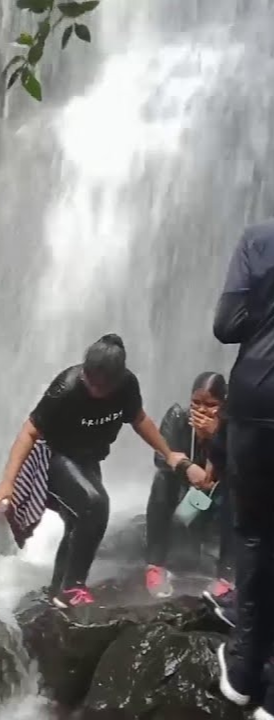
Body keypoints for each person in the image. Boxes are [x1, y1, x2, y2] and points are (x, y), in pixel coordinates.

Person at [0, 334, 189, 609]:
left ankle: (58, 591)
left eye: (101, 385)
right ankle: (73, 588)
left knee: (79, 522)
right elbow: (29, 431)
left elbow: (139, 419)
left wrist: (168, 454)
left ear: (117, 380)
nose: (94, 388)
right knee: (95, 506)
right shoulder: (67, 387)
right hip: (55, 457)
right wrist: (7, 482)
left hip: (88, 460)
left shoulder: (127, 385)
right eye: (90, 381)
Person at [213, 220, 274, 716]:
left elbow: (227, 326)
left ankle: (244, 667)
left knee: (254, 534)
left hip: (258, 397)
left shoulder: (258, 237)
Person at [144, 372, 233, 599]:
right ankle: (155, 565)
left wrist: (214, 437)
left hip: (219, 495)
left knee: (238, 492)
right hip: (187, 493)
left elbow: (244, 464)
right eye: (196, 403)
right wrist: (186, 467)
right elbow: (161, 458)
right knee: (162, 480)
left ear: (224, 404)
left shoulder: (233, 424)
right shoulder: (178, 417)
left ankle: (227, 576)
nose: (202, 410)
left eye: (211, 405)